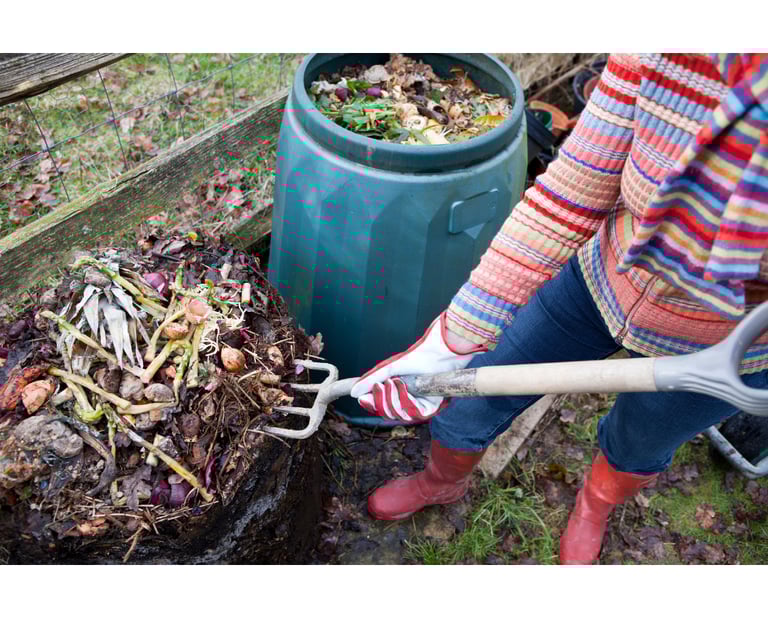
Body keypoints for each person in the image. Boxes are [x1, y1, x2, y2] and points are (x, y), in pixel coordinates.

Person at [350, 53, 768, 565]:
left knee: (638, 445)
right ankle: (441, 482)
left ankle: (593, 506)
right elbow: (570, 193)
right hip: (599, 282)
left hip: (728, 345)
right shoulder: (668, 48)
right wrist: (453, 339)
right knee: (474, 398)